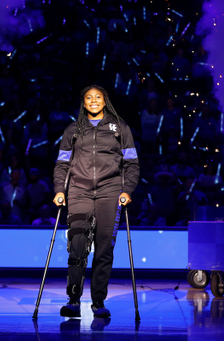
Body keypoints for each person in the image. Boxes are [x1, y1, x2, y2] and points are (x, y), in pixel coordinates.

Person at [53, 85, 140, 318]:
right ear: (83, 103)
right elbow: (62, 164)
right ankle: (73, 300)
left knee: (104, 250)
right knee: (78, 245)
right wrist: (59, 190)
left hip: (110, 192)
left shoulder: (119, 128)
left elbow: (132, 163)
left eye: (97, 97)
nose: (93, 101)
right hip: (79, 192)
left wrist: (127, 189)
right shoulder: (73, 129)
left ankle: (98, 302)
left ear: (105, 101)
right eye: (88, 98)